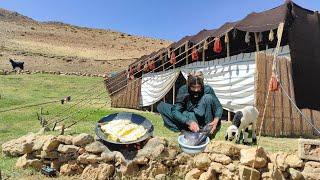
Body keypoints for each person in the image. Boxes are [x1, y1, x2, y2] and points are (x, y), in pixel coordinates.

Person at [157, 70, 223, 137]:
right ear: (188, 84)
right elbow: (175, 110)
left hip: (204, 118)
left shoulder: (207, 89)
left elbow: (218, 107)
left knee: (208, 97)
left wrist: (216, 119)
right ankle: (192, 128)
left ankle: (207, 130)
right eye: (193, 87)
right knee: (162, 106)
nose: (196, 90)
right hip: (190, 116)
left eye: (198, 87)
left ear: (202, 85)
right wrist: (189, 122)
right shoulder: (183, 90)